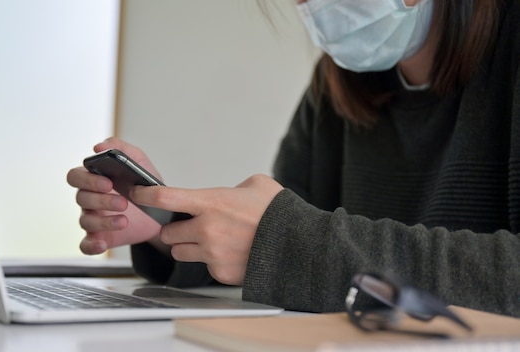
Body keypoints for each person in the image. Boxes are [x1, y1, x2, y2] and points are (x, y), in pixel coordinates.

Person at [67, 0, 520, 317]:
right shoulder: (335, 88)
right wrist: (169, 230)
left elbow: (297, 245)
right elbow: (279, 256)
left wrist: (287, 244)